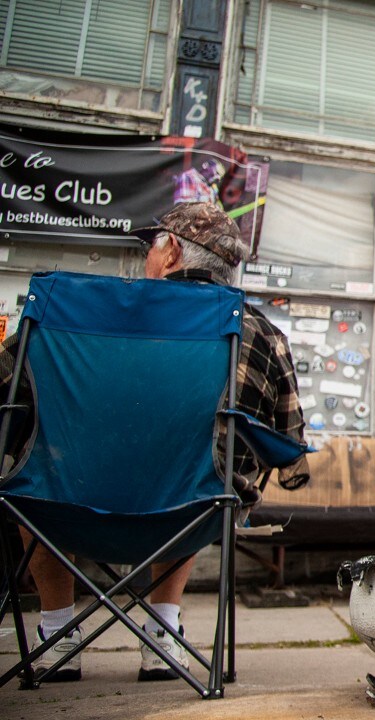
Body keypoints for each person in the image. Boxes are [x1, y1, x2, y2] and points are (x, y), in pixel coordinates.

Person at [2, 201, 309, 682]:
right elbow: (289, 436)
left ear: (169, 254)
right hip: (184, 515)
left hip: (59, 511)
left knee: (28, 457)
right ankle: (161, 633)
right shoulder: (255, 332)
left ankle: (58, 630)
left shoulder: (62, 317)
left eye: (152, 245)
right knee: (204, 470)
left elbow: (5, 404)